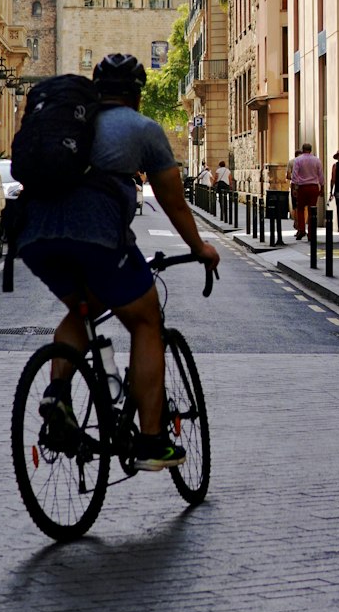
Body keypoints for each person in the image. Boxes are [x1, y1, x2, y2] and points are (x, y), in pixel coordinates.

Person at [16, 53, 220, 471]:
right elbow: (174, 202)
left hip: (33, 232)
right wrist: (201, 247)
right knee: (144, 318)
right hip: (94, 232)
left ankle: (56, 394)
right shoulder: (142, 128)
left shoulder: (69, 121)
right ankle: (150, 441)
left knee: (83, 307)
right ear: (138, 94)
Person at [289, 143, 324, 239]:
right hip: (313, 187)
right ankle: (311, 233)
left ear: (303, 149)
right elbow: (320, 174)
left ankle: (301, 229)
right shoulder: (317, 160)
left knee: (300, 209)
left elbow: (295, 175)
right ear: (311, 150)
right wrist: (322, 187)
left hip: (302, 187)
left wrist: (295, 188)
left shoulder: (298, 160)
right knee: (312, 210)